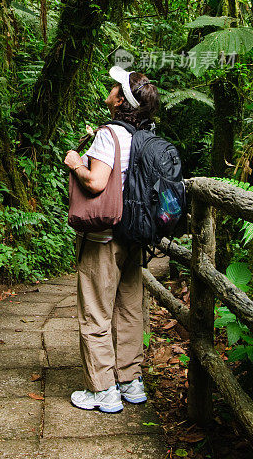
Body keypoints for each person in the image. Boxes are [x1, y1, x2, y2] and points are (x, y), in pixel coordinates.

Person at [64, 65, 160, 413]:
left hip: (104, 237)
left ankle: (102, 388)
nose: (110, 90)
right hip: (135, 235)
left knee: (95, 312)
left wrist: (75, 162)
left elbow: (96, 183)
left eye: (115, 88)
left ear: (120, 101)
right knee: (130, 310)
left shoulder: (109, 134)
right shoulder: (145, 136)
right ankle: (130, 381)